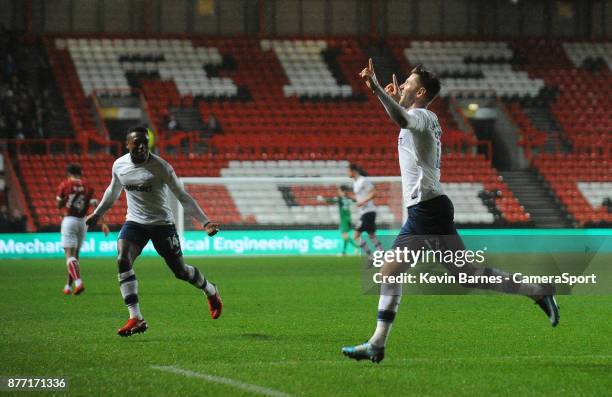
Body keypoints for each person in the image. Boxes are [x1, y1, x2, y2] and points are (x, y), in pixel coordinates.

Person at [341, 60, 559, 363]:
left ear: (421, 93)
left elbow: (404, 119)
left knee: (393, 272)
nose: (402, 85)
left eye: (408, 84)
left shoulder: (422, 116)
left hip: (427, 210)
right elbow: (401, 118)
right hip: (428, 209)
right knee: (463, 276)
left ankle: (377, 343)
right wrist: (388, 97)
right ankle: (537, 290)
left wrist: (378, 89)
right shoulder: (417, 116)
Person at [86, 126, 222, 337]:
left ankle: (210, 290)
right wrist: (97, 213)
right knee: (122, 258)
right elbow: (112, 192)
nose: (141, 146)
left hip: (162, 224)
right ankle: (136, 318)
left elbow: (182, 196)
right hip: (135, 223)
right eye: (136, 142)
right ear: (127, 144)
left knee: (181, 272)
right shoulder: (119, 165)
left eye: (144, 142)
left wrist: (205, 222)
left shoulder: (162, 167)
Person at [56, 164, 109, 295]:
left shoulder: (65, 185)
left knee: (69, 254)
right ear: (81, 173)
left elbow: (59, 204)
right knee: (76, 256)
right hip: (83, 222)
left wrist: (63, 203)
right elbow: (97, 205)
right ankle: (68, 286)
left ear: (68, 173)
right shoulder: (88, 186)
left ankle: (78, 283)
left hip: (69, 220)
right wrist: (103, 223)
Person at [348, 163, 384, 257]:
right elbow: (360, 198)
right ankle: (382, 254)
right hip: (366, 212)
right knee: (371, 235)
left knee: (355, 236)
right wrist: (350, 197)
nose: (347, 173)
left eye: (348, 171)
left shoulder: (363, 180)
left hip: (368, 212)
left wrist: (362, 202)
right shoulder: (355, 183)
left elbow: (374, 193)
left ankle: (370, 256)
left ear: (353, 171)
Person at [317, 185, 358, 255]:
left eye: (339, 191)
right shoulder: (348, 198)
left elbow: (332, 200)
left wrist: (322, 199)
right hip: (348, 218)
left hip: (344, 219)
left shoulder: (340, 199)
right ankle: (344, 252)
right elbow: (356, 201)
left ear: (343, 191)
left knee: (344, 235)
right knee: (345, 236)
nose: (338, 192)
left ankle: (356, 247)